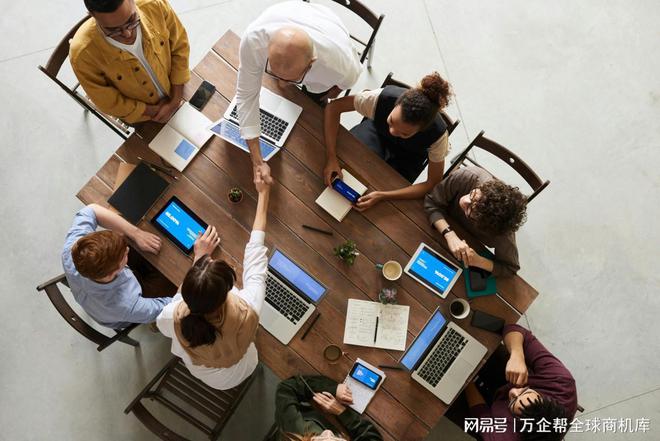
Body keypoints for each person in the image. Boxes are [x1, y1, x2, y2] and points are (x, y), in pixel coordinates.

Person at [157, 173, 271, 389]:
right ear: (227, 292)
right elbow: (256, 256)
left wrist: (198, 259)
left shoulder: (172, 316)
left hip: (213, 380)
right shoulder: (248, 309)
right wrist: (264, 194)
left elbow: (171, 317)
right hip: (243, 367)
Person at [236, 1, 362, 185]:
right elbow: (246, 96)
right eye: (274, 72)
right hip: (292, 13)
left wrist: (329, 94)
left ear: (311, 63)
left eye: (289, 79)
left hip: (329, 28)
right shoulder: (253, 41)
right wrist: (257, 160)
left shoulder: (339, 66)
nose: (280, 83)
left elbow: (343, 85)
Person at [324, 72, 454, 210]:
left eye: (404, 133)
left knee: (386, 188)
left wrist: (383, 196)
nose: (393, 131)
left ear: (421, 130)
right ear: (396, 104)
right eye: (391, 121)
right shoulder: (380, 99)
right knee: (349, 161)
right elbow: (333, 108)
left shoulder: (438, 137)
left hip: (410, 156)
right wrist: (331, 157)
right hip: (376, 133)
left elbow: (432, 183)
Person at [70, 0, 190, 124]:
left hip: (179, 89)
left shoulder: (154, 4)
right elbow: (108, 102)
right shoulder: (82, 54)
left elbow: (180, 46)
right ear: (91, 15)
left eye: (131, 20)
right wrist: (154, 111)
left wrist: (175, 100)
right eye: (113, 30)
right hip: (145, 118)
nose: (127, 33)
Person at [61, 204, 175, 330]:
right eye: (124, 255)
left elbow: (91, 209)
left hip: (99, 296)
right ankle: (155, 325)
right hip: (127, 309)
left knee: (129, 233)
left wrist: (136, 234)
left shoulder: (73, 249)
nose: (127, 249)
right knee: (178, 282)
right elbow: (172, 308)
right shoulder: (128, 305)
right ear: (111, 274)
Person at [464, 324, 577, 440]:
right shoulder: (561, 381)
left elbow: (480, 413)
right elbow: (514, 329)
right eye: (525, 391)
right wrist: (517, 355)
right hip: (510, 373)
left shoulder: (505, 437)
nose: (513, 391)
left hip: (491, 409)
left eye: (513, 401)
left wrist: (465, 378)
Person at [424, 166, 528, 277]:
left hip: (463, 254)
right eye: (473, 195)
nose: (464, 200)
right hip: (433, 227)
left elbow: (510, 268)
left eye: (470, 209)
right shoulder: (466, 176)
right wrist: (450, 234)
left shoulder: (502, 231)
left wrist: (478, 261)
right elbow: (431, 202)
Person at [275, 375, 383, 441]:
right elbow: (371, 438)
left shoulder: (295, 429)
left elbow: (286, 388)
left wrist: (332, 388)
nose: (328, 432)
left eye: (320, 439)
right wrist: (342, 412)